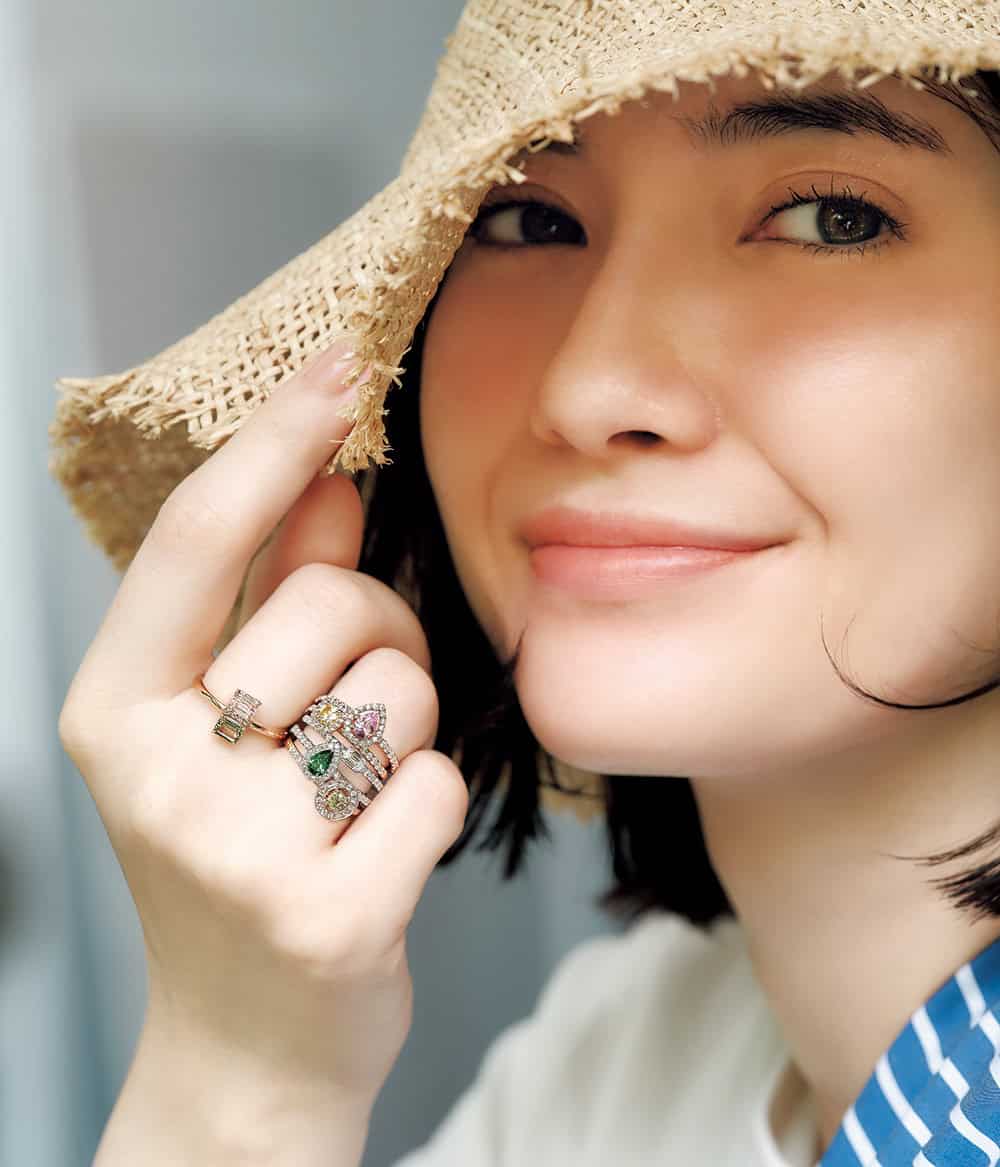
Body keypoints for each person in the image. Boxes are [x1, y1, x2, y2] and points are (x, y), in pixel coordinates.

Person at [50, 1, 1000, 1163]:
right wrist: (241, 1066)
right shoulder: (617, 1063)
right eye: (528, 220)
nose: (587, 388)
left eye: (830, 219)